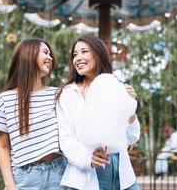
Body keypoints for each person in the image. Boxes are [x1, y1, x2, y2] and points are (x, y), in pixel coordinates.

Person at [56, 34, 140, 190]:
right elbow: (66, 140)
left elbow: (132, 137)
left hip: (123, 176)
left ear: (98, 54)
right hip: (85, 176)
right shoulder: (68, 94)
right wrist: (89, 159)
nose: (78, 58)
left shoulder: (115, 87)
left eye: (84, 51)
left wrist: (130, 108)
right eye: (75, 54)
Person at [0, 38, 67, 190]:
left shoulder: (59, 95)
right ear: (28, 55)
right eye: (45, 52)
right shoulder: (5, 99)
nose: (50, 58)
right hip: (24, 177)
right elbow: (2, 147)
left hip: (60, 173)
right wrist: (10, 184)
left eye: (50, 54)